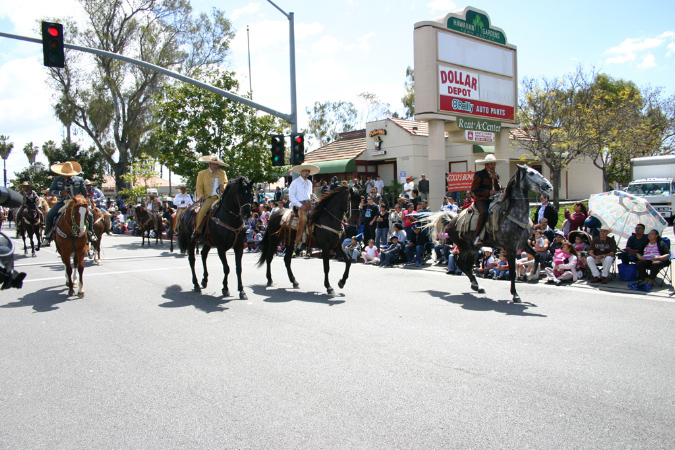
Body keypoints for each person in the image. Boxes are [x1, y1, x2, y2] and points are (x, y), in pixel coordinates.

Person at [43, 161, 97, 243]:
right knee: (50, 215)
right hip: (62, 202)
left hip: (77, 203)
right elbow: (51, 191)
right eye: (65, 174)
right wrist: (60, 193)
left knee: (90, 215)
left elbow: (85, 193)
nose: (67, 176)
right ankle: (48, 234)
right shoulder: (57, 179)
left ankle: (90, 232)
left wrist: (84, 202)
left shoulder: (79, 179)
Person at [192, 154, 229, 240]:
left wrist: (223, 186)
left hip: (221, 197)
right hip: (209, 198)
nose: (215, 166)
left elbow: (225, 182)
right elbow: (199, 186)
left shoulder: (222, 173)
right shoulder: (202, 174)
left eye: (216, 164)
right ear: (209, 164)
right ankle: (197, 230)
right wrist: (200, 195)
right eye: (213, 164)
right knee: (202, 211)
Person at [471, 154, 504, 245]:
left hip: (495, 199)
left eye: (494, 164)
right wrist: (489, 192)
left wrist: (496, 180)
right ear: (486, 165)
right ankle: (477, 236)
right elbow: (474, 189)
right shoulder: (479, 174)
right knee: (484, 212)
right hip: (482, 200)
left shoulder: (496, 175)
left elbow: (499, 188)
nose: (493, 166)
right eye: (491, 164)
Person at [289, 163, 320, 248]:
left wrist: (313, 197)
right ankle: (297, 241)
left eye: (308, 171)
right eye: (306, 171)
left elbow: (309, 194)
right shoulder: (295, 182)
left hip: (309, 204)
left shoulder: (309, 182)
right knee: (303, 219)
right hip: (299, 205)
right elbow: (291, 197)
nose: (307, 172)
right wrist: (300, 205)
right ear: (301, 172)